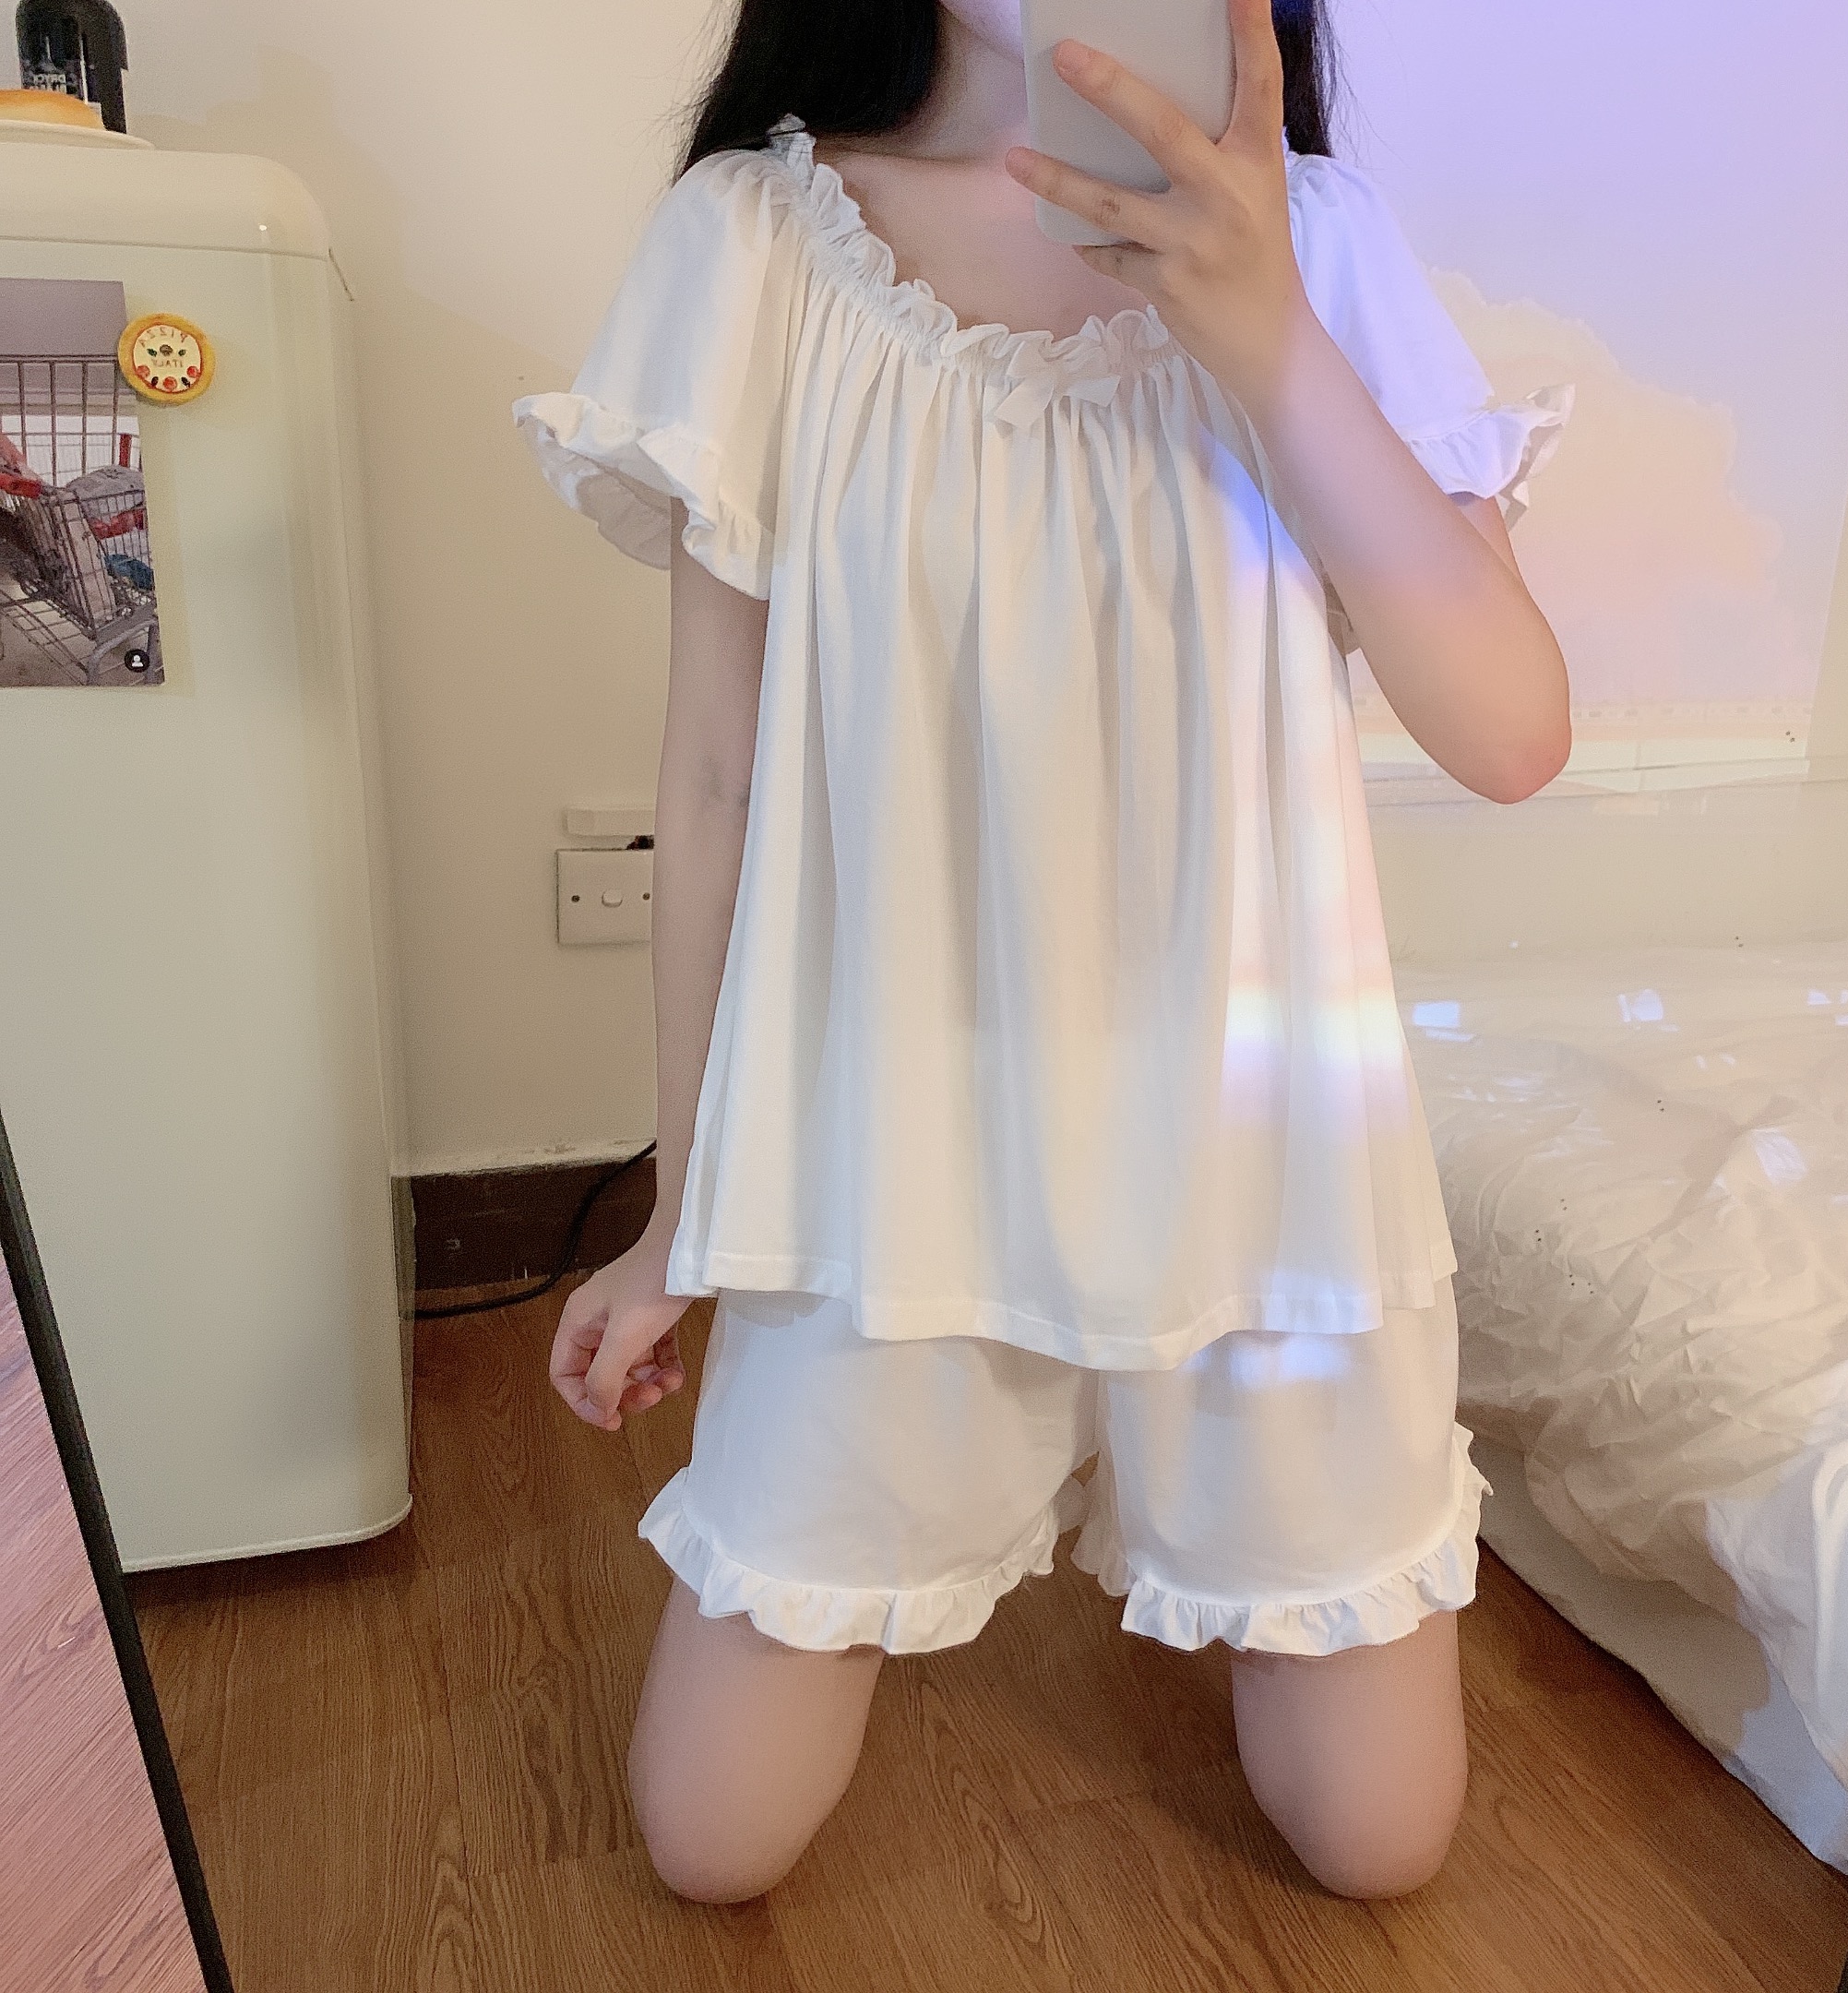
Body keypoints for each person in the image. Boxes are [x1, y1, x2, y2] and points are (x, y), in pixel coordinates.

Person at [515, 0, 1572, 1909]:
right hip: (887, 1159)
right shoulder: (758, 246)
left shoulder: (1316, 244)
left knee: (1380, 1844)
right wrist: (685, 1210)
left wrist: (1267, 337)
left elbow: (1509, 736)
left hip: (1263, 1174)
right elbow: (719, 781)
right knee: (710, 1844)